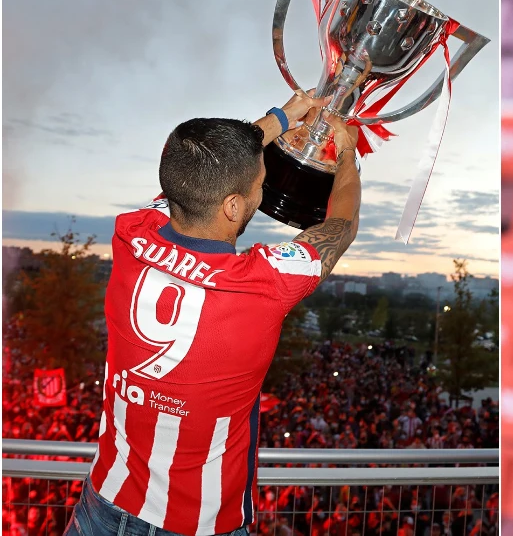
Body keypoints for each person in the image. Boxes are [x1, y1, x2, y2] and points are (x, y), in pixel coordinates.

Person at [65, 89, 362, 536]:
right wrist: (347, 157)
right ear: (234, 206)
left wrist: (282, 118)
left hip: (103, 504)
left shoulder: (131, 233)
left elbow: (197, 170)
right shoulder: (264, 283)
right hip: (199, 525)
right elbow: (341, 226)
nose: (261, 193)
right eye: (260, 186)